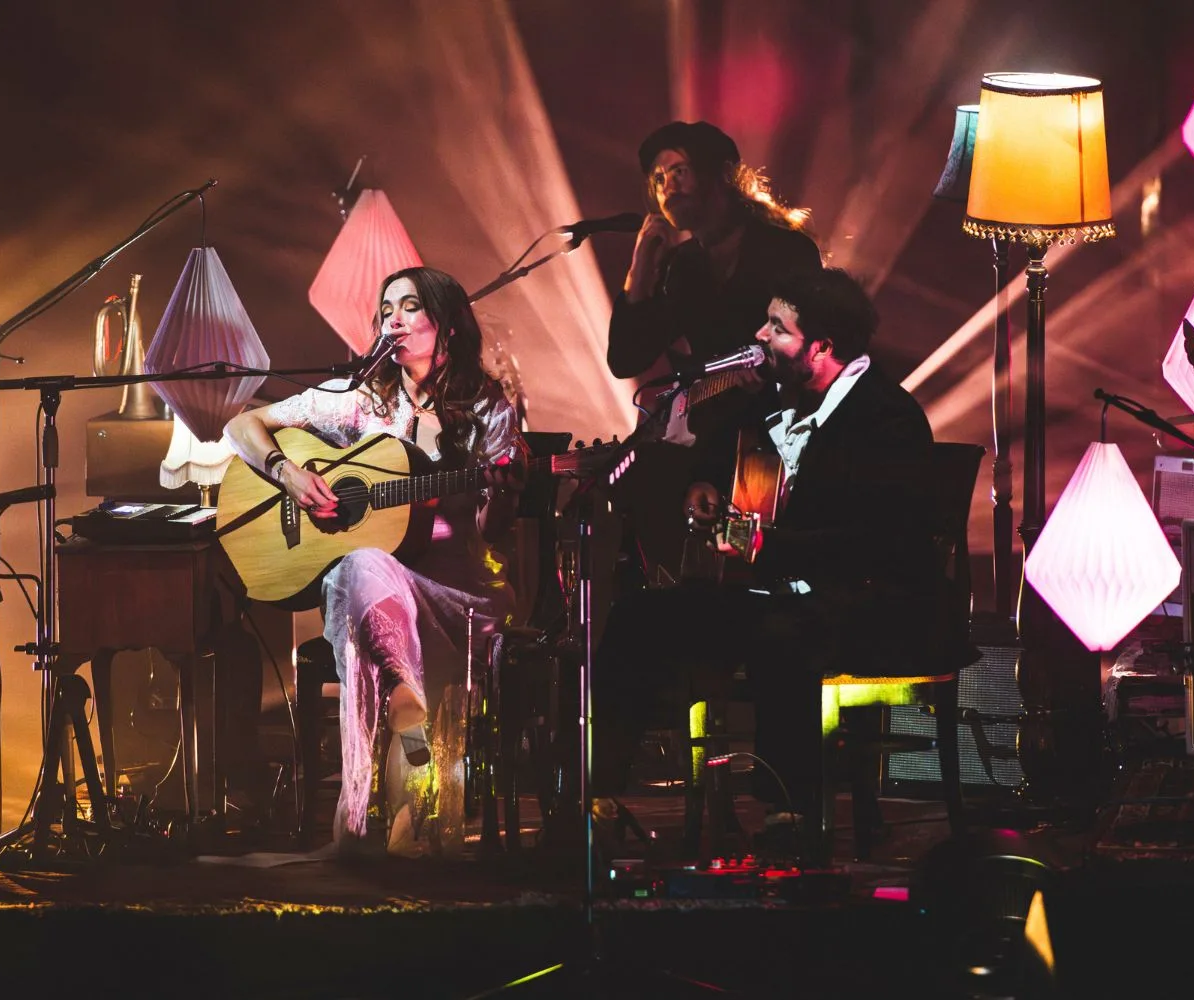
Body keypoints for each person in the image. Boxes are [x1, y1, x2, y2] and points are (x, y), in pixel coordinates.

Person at [593, 266, 970, 853]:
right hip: (782, 596)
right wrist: (702, 485)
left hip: (875, 607)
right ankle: (599, 797)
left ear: (822, 346)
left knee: (782, 635)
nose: (759, 335)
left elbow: (879, 539)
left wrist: (774, 547)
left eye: (777, 327)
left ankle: (787, 812)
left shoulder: (885, 418)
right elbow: (717, 459)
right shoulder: (772, 402)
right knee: (637, 616)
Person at [224, 266, 520, 858]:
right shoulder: (360, 404)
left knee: (360, 574)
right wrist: (288, 474)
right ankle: (397, 720)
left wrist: (501, 492)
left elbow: (493, 532)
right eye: (387, 309)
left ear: (448, 325)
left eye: (411, 307)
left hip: (453, 590)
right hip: (380, 589)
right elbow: (241, 424)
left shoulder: (490, 408)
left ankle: (384, 809)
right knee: (360, 566)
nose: (394, 319)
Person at [606, 121, 824, 586]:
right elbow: (625, 359)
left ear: (723, 173)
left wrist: (773, 365)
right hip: (711, 435)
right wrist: (639, 273)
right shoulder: (683, 267)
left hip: (778, 435)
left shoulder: (788, 252)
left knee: (756, 577)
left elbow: (816, 345)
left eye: (680, 170)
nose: (668, 186)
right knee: (626, 481)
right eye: (659, 179)